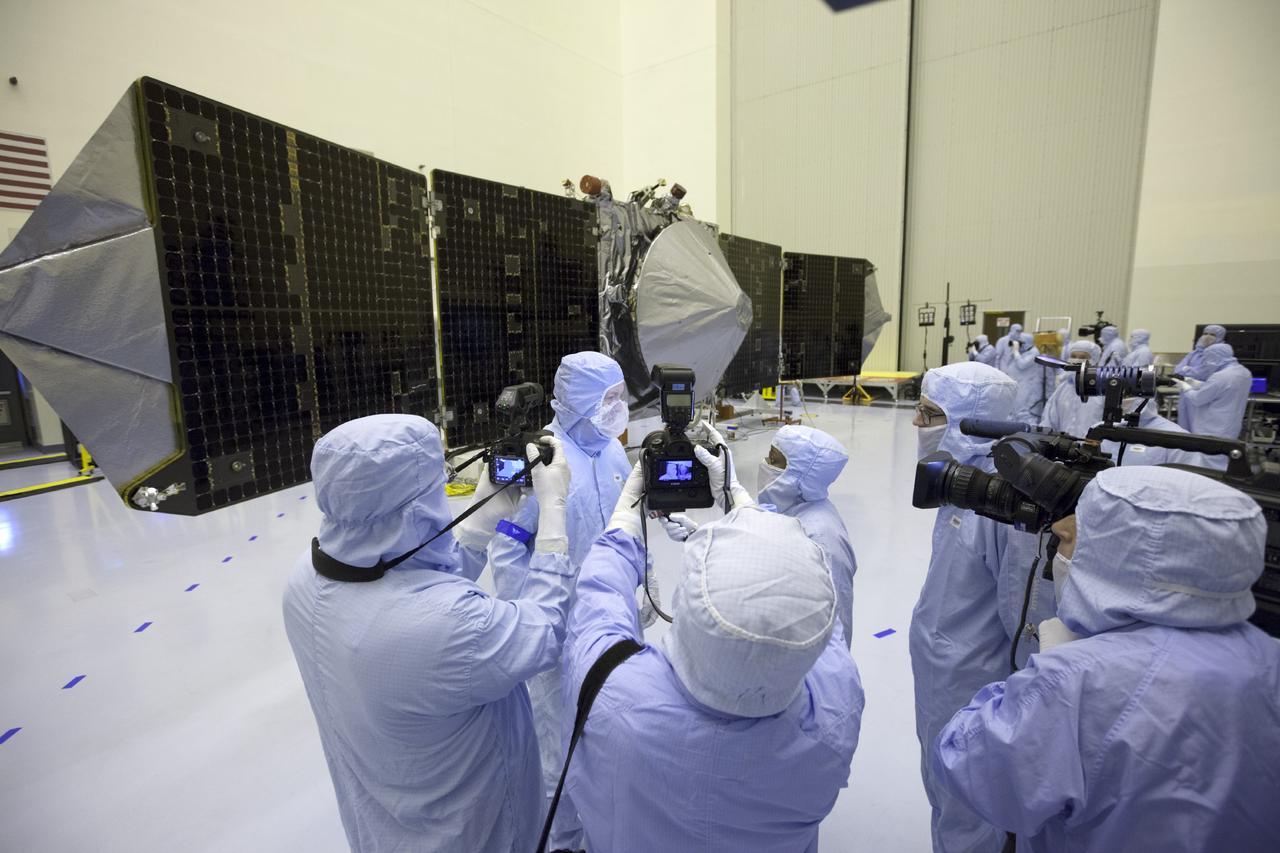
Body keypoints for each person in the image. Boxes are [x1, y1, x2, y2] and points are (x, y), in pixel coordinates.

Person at [933, 466, 1280, 853]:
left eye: (1072, 538)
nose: (1059, 546)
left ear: (1119, 555)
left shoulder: (1075, 683)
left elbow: (968, 768)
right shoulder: (1269, 657)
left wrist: (1040, 680)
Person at [282, 415, 575, 853]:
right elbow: (545, 629)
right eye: (438, 490)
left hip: (384, 826)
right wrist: (554, 516)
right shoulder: (455, 627)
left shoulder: (303, 582)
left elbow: (402, 580)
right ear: (417, 512)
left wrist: (475, 532)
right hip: (472, 835)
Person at [564, 456, 864, 852]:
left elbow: (597, 606)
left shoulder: (616, 700)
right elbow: (810, 613)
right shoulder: (836, 709)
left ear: (690, 607)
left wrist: (623, 527)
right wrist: (744, 510)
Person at [483, 351, 633, 851]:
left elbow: (622, 526)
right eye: (608, 398)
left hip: (611, 624)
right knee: (557, 752)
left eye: (620, 395)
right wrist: (533, 617)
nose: (619, 407)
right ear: (581, 401)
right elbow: (505, 545)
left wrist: (639, 583)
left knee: (606, 736)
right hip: (557, 636)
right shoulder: (543, 459)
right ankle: (561, 842)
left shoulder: (612, 450)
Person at [910, 361, 1018, 853]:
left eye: (929, 414)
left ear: (967, 423)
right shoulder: (959, 489)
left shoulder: (1001, 508)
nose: (916, 425)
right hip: (942, 677)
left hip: (972, 688)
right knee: (942, 790)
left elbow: (1024, 629)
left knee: (969, 808)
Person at [663, 424, 858, 648]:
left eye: (774, 461)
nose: (765, 464)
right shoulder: (789, 506)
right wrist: (699, 536)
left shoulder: (822, 537)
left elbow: (832, 631)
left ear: (802, 475)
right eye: (768, 456)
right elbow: (760, 546)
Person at [1175, 342, 1253, 445]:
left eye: (1208, 359)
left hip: (1212, 429)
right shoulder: (1244, 372)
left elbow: (1198, 399)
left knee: (1207, 458)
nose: (1206, 363)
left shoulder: (1220, 376)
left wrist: (1185, 388)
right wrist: (1197, 384)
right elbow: (1221, 390)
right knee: (1222, 457)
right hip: (1230, 428)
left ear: (1215, 356)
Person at [1039, 339, 1103, 436]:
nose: (1076, 360)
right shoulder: (1062, 389)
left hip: (1093, 448)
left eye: (1083, 357)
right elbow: (1049, 421)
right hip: (1065, 447)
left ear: (1094, 360)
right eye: (1073, 356)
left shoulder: (1101, 391)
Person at [1004, 332, 1044, 421]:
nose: (1019, 344)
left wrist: (1016, 352)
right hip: (1018, 385)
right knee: (1014, 410)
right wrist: (1014, 351)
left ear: (1027, 343)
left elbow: (1022, 365)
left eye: (1020, 342)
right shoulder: (1023, 351)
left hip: (1027, 388)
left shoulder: (1034, 353)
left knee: (1024, 413)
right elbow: (1009, 363)